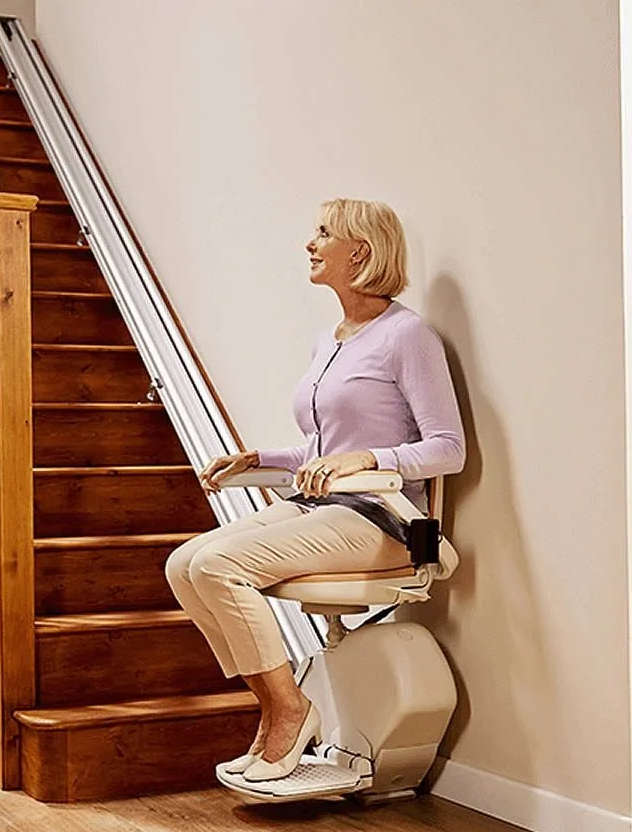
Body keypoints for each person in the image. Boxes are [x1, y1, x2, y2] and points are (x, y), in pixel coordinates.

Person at [165, 198, 465, 783]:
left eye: (323, 233)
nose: (310, 242)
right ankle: (278, 705)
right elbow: (321, 453)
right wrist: (260, 459)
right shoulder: (329, 341)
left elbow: (448, 447)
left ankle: (289, 710)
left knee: (220, 565)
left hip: (383, 518)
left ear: (360, 250)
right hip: (323, 506)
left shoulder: (408, 337)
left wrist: (371, 457)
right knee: (184, 565)